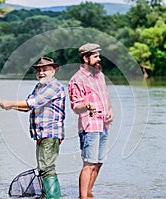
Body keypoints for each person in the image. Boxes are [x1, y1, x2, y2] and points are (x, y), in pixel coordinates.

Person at [0, 57, 65, 199]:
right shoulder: (39, 87)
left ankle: (53, 197)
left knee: (46, 168)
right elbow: (27, 108)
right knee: (43, 167)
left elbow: (32, 103)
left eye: (45, 70)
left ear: (53, 71)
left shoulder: (54, 87)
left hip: (50, 133)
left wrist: (10, 102)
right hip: (41, 134)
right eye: (39, 70)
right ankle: (48, 195)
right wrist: (11, 106)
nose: (41, 73)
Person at [68, 43, 114, 198]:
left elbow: (106, 97)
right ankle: (83, 196)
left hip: (104, 124)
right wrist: (86, 105)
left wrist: (111, 110)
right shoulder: (76, 79)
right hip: (89, 126)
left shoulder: (100, 75)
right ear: (85, 58)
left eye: (98, 56)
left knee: (99, 162)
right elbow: (75, 107)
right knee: (89, 164)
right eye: (95, 56)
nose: (99, 59)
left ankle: (88, 193)